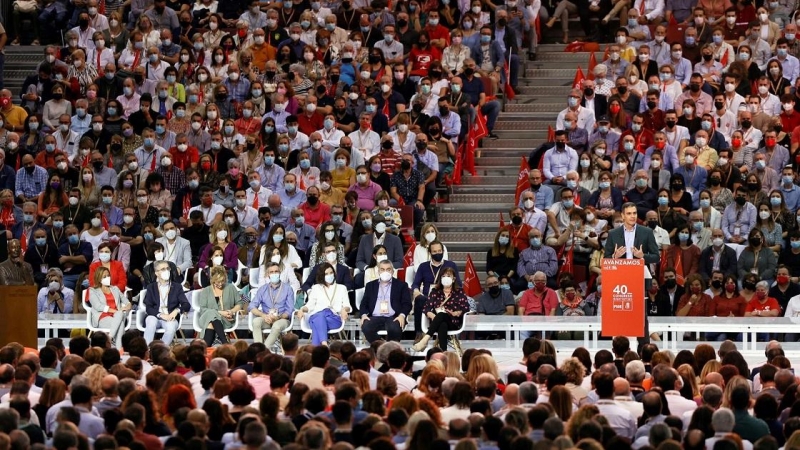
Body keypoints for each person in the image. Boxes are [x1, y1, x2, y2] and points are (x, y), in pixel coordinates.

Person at [603, 202, 660, 349]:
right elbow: (606, 258)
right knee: (619, 313)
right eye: (629, 213)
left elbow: (656, 257)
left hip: (639, 278)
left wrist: (643, 256)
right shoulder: (613, 234)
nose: (632, 216)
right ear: (622, 215)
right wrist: (614, 257)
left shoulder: (646, 232)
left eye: (634, 213)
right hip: (619, 279)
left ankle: (644, 349)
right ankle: (619, 349)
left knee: (641, 315)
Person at [413, 266, 470, 352]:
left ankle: (425, 339)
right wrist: (431, 315)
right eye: (443, 276)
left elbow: (466, 307)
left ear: (453, 279)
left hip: (453, 322)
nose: (446, 278)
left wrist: (457, 313)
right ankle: (444, 352)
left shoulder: (459, 291)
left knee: (442, 315)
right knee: (442, 324)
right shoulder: (435, 291)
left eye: (448, 276)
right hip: (436, 322)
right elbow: (426, 307)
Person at [298, 262, 350, 346]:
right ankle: (324, 344)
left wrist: (344, 309)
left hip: (334, 318)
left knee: (317, 320)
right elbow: (309, 305)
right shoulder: (315, 288)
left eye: (331, 273)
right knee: (320, 315)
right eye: (326, 273)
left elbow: (347, 305)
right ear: (322, 275)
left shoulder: (342, 288)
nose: (330, 275)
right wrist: (302, 309)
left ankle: (318, 348)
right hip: (318, 316)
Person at [360, 260, 412, 343]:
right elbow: (364, 303)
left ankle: (391, 349)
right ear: (378, 271)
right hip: (375, 316)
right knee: (366, 326)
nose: (385, 272)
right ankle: (380, 345)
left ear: (392, 271)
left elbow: (407, 304)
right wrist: (363, 315)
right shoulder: (370, 285)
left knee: (394, 329)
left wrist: (402, 315)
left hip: (394, 316)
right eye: (382, 269)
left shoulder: (401, 285)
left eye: (388, 269)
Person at [142, 260, 190, 346]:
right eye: (163, 269)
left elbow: (186, 305)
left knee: (171, 328)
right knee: (150, 321)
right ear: (156, 273)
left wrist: (176, 311)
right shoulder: (151, 287)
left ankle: (160, 349)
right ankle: (147, 349)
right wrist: (161, 315)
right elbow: (148, 308)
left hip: (170, 317)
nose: (166, 271)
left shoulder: (177, 287)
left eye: (168, 268)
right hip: (156, 316)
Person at [249, 262, 295, 348]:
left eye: (276, 271)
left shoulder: (288, 288)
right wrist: (263, 315)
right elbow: (251, 306)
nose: (274, 274)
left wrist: (278, 317)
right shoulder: (263, 289)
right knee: (256, 322)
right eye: (272, 272)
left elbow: (289, 310)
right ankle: (259, 347)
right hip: (267, 318)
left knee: (277, 326)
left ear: (280, 272)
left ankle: (263, 350)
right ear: (268, 274)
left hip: (282, 319)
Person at [196, 266, 245, 346]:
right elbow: (203, 309)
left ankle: (206, 349)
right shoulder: (206, 291)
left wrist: (232, 311)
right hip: (205, 319)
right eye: (217, 281)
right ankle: (224, 342)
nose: (220, 284)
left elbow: (240, 303)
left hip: (225, 320)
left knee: (211, 322)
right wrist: (221, 312)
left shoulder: (231, 288)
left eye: (222, 281)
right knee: (211, 313)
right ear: (212, 280)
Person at [87, 265, 131, 346]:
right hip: (102, 317)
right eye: (104, 276)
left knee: (119, 315)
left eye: (108, 275)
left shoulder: (115, 289)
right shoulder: (93, 290)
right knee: (120, 324)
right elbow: (98, 306)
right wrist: (116, 311)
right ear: (99, 278)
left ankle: (109, 339)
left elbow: (126, 301)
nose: (107, 278)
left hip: (116, 316)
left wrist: (128, 306)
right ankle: (118, 350)